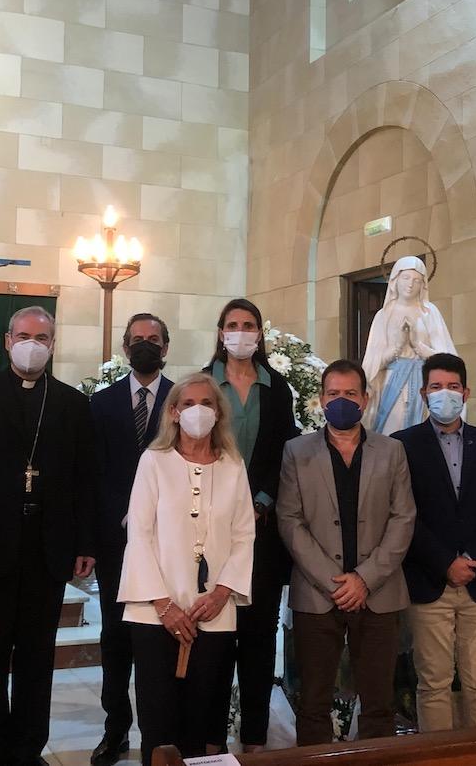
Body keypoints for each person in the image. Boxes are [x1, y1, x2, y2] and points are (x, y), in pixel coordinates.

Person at [0, 305, 97, 766]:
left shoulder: (72, 403)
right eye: (24, 335)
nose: (33, 344)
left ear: (53, 344)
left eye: (42, 337)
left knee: (36, 655)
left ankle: (28, 748)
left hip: (49, 548)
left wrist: (85, 543)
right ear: (8, 341)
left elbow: (84, 478)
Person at [118, 373, 255, 766]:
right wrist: (164, 606)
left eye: (207, 403)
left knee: (202, 717)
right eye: (189, 403)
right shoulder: (154, 461)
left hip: (214, 611)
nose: (198, 410)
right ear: (174, 413)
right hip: (154, 611)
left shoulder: (232, 465)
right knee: (159, 719)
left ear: (219, 412)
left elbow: (245, 534)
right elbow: (140, 535)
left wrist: (222, 593)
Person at [277, 359, 416, 746]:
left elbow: (403, 518)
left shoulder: (392, 451)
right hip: (318, 593)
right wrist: (335, 582)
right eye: (334, 394)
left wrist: (364, 579)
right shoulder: (297, 451)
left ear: (365, 400)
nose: (342, 401)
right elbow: (289, 520)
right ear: (321, 400)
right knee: (314, 703)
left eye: (350, 394)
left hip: (378, 592)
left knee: (378, 704)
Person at [394, 352, 476, 731]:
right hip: (430, 581)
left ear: (466, 392)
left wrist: (474, 559)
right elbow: (404, 516)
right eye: (436, 387)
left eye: (452, 386)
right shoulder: (402, 446)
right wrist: (445, 562)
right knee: (433, 685)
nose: (444, 393)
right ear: (423, 393)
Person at [205, 298, 300, 753]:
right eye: (233, 325)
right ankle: (210, 740)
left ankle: (257, 738)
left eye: (249, 325)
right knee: (217, 637)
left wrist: (260, 501)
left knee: (259, 639)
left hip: (262, 527)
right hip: (210, 527)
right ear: (220, 332)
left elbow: (284, 451)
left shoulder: (277, 388)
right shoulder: (204, 386)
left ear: (260, 334)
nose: (241, 332)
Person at [90, 313, 174, 766]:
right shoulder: (100, 404)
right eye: (137, 339)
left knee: (160, 639)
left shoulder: (183, 402)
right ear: (125, 348)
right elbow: (91, 476)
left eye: (153, 340)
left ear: (165, 348)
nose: (145, 345)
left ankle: (160, 733)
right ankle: (115, 728)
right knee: (115, 639)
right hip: (114, 544)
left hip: (169, 542)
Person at [360, 256, 457, 435]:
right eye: (405, 278)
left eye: (417, 280)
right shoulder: (383, 315)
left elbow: (448, 359)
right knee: (391, 430)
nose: (410, 285)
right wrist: (396, 348)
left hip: (425, 381)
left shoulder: (430, 313)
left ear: (423, 285)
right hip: (390, 381)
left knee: (424, 434)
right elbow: (372, 363)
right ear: (395, 280)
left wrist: (417, 346)